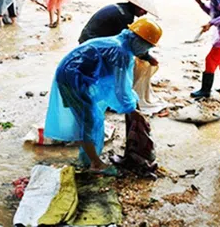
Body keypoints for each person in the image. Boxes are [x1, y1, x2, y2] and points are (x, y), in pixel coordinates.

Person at [44, 18, 163, 174]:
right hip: (71, 78)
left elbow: (120, 82)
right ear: (138, 39)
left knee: (91, 117)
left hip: (77, 74)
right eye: (147, 46)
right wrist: (131, 110)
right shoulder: (121, 52)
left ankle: (88, 155)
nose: (145, 49)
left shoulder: (123, 43)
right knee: (88, 120)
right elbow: (121, 88)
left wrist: (146, 57)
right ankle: (94, 163)